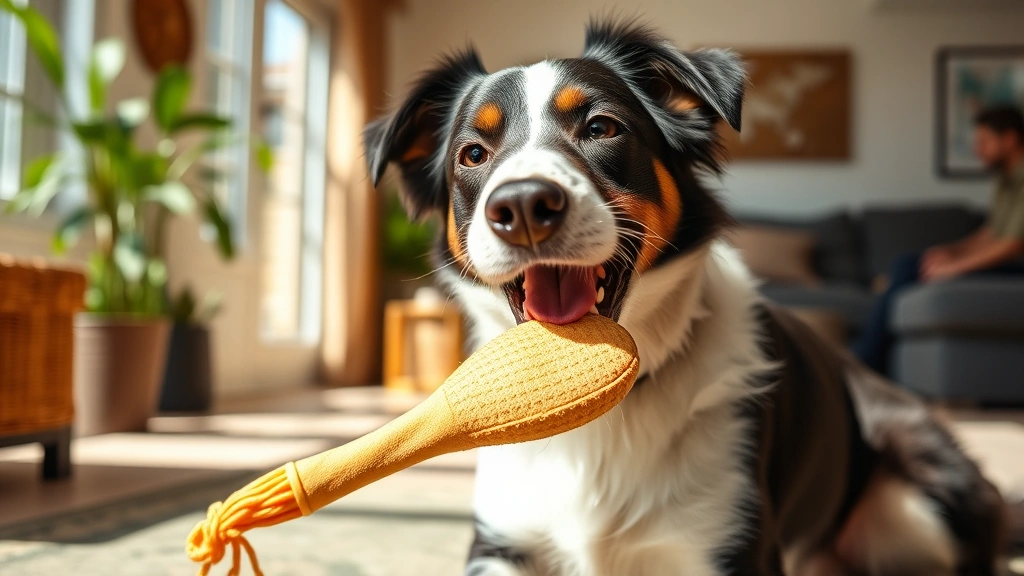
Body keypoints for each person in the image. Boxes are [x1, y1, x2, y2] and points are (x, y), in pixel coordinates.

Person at [852, 105, 1024, 376]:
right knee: (912, 262)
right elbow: (991, 233)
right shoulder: (1005, 180)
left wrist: (956, 267)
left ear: (1010, 139)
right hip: (1004, 260)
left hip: (1016, 268)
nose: (977, 150)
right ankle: (871, 360)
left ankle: (866, 361)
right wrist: (950, 251)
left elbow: (1014, 244)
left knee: (908, 267)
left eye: (984, 142)